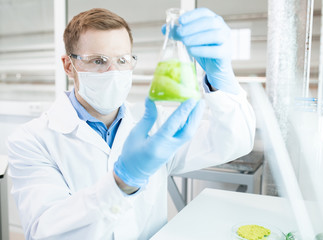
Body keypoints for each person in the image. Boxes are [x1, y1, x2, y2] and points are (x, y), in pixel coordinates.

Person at [7, 7, 256, 240]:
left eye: (123, 60)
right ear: (68, 65)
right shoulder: (31, 140)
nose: (113, 72)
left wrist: (221, 78)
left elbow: (233, 142)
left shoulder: (156, 124)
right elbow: (46, 231)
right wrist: (123, 181)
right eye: (98, 61)